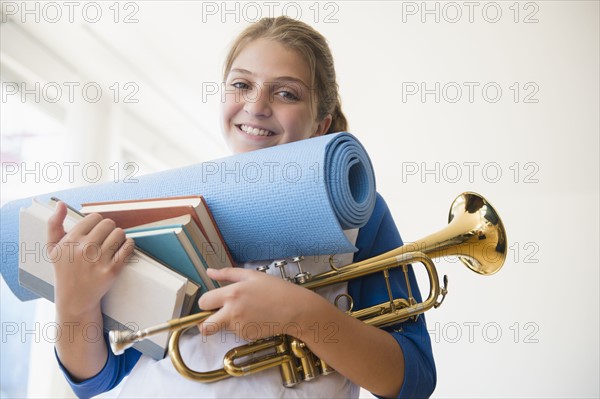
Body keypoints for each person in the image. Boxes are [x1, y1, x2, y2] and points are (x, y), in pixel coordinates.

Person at [47, 16, 436, 399]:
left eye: (286, 93)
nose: (256, 105)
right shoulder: (172, 203)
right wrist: (73, 304)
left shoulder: (358, 213)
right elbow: (100, 377)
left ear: (321, 125)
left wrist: (302, 315)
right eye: (241, 84)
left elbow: (413, 379)